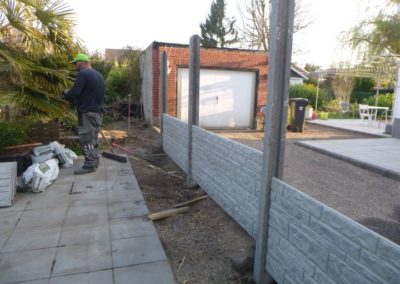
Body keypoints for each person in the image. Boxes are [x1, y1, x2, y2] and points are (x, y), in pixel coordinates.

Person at [64, 53, 105, 175]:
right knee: (93, 139)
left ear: (82, 62)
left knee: (86, 139)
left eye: (76, 63)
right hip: (97, 113)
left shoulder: (82, 74)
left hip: (87, 113)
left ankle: (89, 164)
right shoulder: (98, 75)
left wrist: (66, 93)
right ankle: (95, 160)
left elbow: (75, 92)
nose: (76, 65)